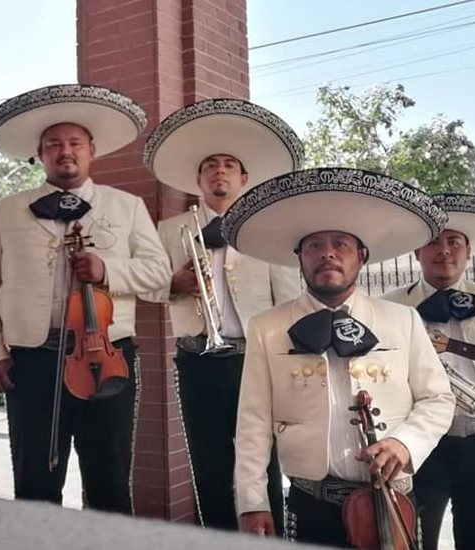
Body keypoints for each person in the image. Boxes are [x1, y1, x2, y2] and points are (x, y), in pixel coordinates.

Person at [225, 167, 454, 546]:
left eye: (341, 244)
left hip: (390, 498)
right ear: (299, 258)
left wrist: (405, 444)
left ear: (362, 257)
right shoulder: (267, 327)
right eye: (314, 245)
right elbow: (252, 420)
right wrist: (251, 500)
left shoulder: (403, 319)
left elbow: (439, 399)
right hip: (309, 500)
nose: (327, 253)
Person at [0, 84, 169, 513]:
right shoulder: (5, 211)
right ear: (40, 155)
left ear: (91, 151)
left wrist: (107, 271)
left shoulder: (127, 206)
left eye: (75, 143)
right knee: (34, 481)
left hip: (108, 358)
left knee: (110, 480)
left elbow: (159, 276)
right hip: (32, 360)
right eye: (54, 145)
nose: (66, 151)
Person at [142, 97, 304, 530]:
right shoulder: (168, 230)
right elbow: (148, 286)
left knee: (261, 458)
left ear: (244, 177)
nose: (219, 171)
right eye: (210, 165)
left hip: (254, 358)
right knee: (207, 459)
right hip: (196, 356)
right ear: (198, 178)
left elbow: (288, 302)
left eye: (229, 164)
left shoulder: (263, 229)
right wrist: (173, 284)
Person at [380, 193, 475, 550]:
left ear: (468, 250)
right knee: (413, 541)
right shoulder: (389, 305)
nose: (443, 249)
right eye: (432, 241)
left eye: (454, 241)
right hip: (420, 445)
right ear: (416, 252)